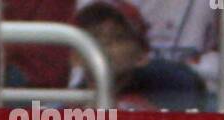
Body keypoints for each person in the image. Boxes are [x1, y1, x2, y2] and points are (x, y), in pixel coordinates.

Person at [74, 1, 206, 110]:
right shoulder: (63, 110)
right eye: (93, 38)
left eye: (117, 38)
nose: (104, 47)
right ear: (74, 57)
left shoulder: (159, 111)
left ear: (142, 56)